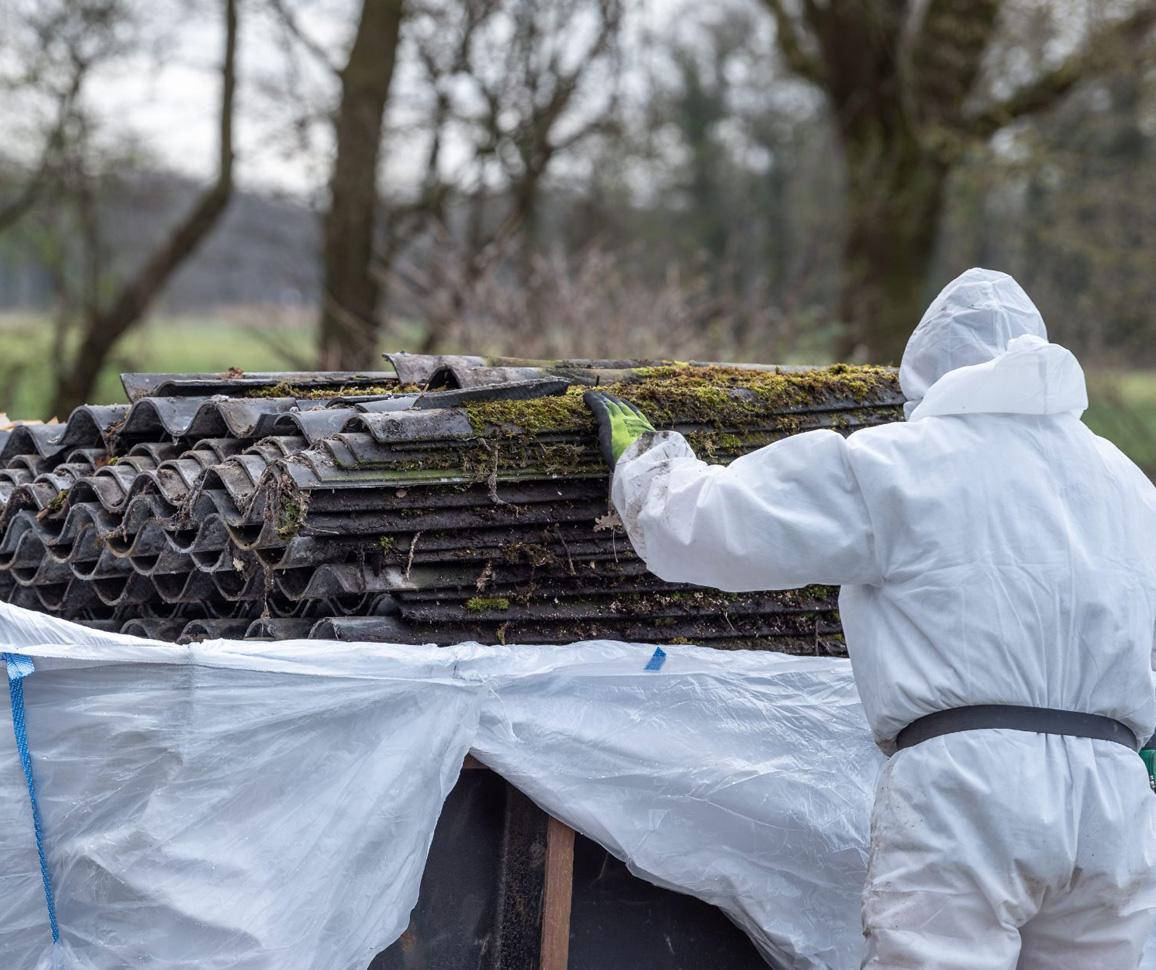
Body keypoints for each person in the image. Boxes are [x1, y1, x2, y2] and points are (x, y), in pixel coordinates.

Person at [584, 267, 1156, 969]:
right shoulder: (1129, 483)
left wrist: (647, 468)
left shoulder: (907, 463)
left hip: (969, 788)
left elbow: (721, 526)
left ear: (929, 376)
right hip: (1116, 798)